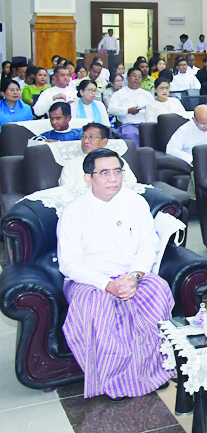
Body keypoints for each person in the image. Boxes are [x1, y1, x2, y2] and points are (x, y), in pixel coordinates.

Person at [56, 148, 173, 399]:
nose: (113, 178)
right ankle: (115, 382)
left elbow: (148, 245)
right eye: (104, 173)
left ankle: (154, 371)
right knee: (96, 307)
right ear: (88, 178)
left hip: (132, 275)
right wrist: (107, 284)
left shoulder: (135, 202)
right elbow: (69, 263)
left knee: (158, 290)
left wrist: (135, 277)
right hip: (90, 280)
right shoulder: (74, 212)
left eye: (117, 171)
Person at [60, 123, 139, 188]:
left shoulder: (116, 161)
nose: (85, 141)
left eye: (91, 137)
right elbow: (67, 191)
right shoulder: (72, 164)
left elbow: (131, 184)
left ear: (104, 142)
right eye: (83, 137)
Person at [108, 68, 152, 146]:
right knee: (131, 135)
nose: (137, 79)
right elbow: (111, 109)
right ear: (127, 78)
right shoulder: (119, 94)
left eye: (139, 77)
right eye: (134, 76)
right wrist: (127, 111)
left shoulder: (147, 94)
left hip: (146, 125)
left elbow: (153, 108)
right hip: (128, 124)